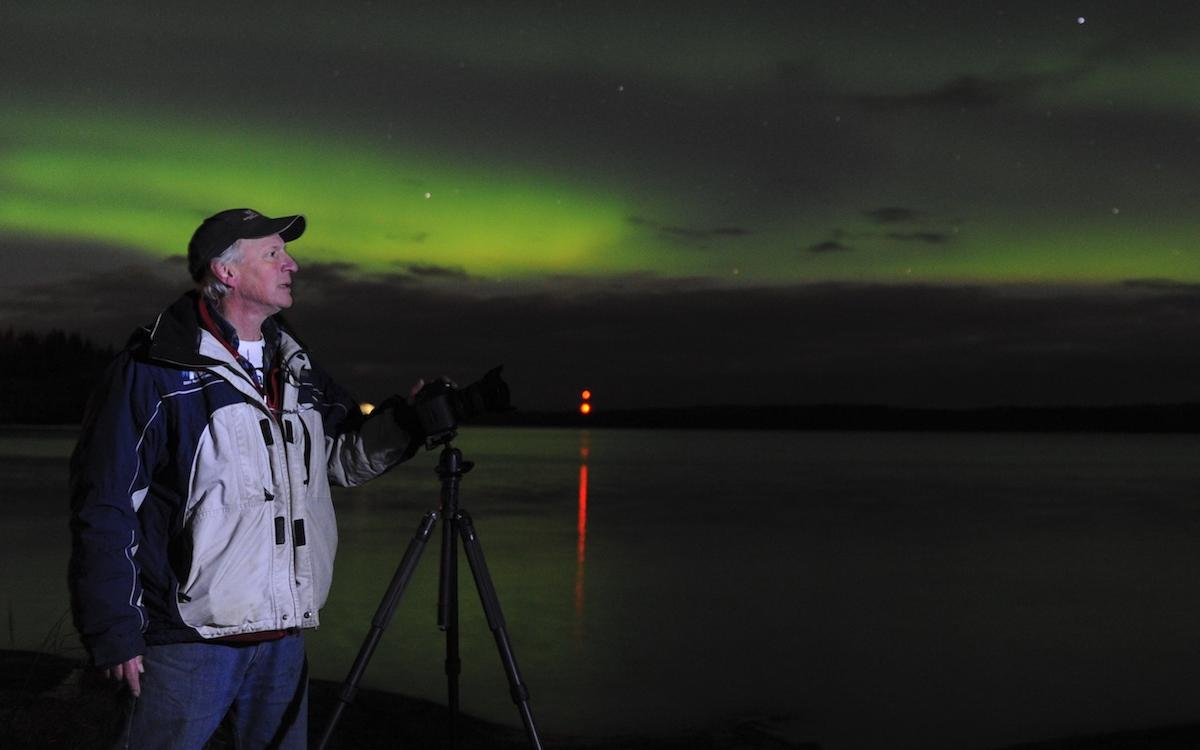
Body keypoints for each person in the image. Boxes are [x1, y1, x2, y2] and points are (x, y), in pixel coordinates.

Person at [68, 208, 427, 748]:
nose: (294, 265)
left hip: (282, 633)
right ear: (227, 272)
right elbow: (106, 503)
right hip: (188, 641)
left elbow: (342, 459)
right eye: (274, 254)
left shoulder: (296, 367)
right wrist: (114, 630)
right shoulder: (154, 369)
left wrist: (408, 425)